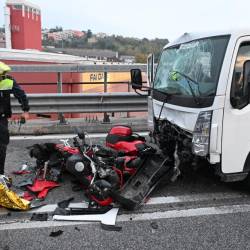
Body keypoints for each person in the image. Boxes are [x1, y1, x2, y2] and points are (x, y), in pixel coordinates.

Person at [0, 61, 30, 175]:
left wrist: (25, 110)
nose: (4, 76)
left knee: (2, 146)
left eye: (4, 74)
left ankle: (0, 175)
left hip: (1, 118)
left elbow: (21, 95)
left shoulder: (8, 81)